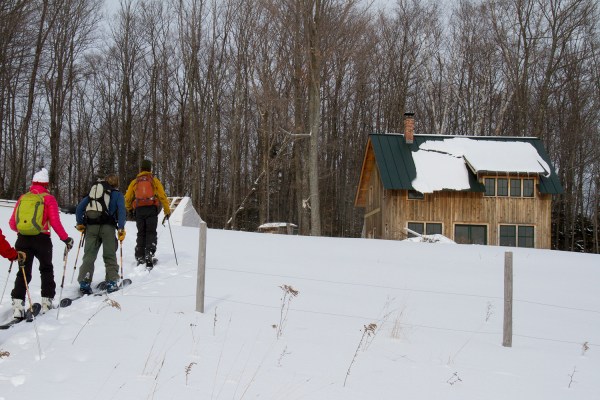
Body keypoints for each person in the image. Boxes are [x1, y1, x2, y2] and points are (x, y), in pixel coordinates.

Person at [9, 168, 73, 317]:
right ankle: (46, 301)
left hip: (22, 239)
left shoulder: (23, 198)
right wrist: (66, 239)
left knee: (23, 272)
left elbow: (13, 224)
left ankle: (18, 305)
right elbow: (55, 223)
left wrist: (26, 229)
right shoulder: (48, 198)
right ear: (46, 184)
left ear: (33, 183)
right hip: (42, 239)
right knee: (46, 269)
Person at [75, 174, 126, 294]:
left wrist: (80, 223)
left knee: (89, 255)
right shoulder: (117, 195)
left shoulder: (94, 193)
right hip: (108, 228)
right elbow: (122, 211)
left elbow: (79, 209)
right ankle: (112, 282)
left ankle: (84, 282)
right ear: (117, 183)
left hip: (91, 227)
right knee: (109, 255)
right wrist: (121, 228)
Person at [124, 160, 170, 268]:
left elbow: (128, 197)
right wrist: (167, 210)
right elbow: (162, 196)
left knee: (141, 232)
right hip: (151, 209)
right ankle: (149, 253)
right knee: (151, 232)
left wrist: (130, 209)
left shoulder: (135, 182)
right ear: (150, 169)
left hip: (139, 209)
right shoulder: (154, 181)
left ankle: (140, 256)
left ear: (141, 169)